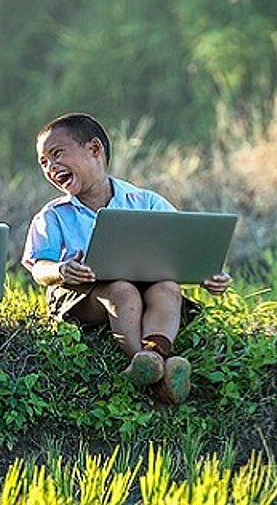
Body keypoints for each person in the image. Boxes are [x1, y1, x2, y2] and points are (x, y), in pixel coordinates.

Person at [22, 112, 232, 404]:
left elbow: (182, 249)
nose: (50, 166)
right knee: (122, 290)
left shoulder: (145, 201)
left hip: (144, 289)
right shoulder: (53, 215)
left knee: (168, 288)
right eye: (43, 162)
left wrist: (207, 275)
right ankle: (141, 360)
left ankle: (154, 358)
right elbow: (38, 268)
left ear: (94, 149)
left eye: (57, 154)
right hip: (82, 297)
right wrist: (60, 270)